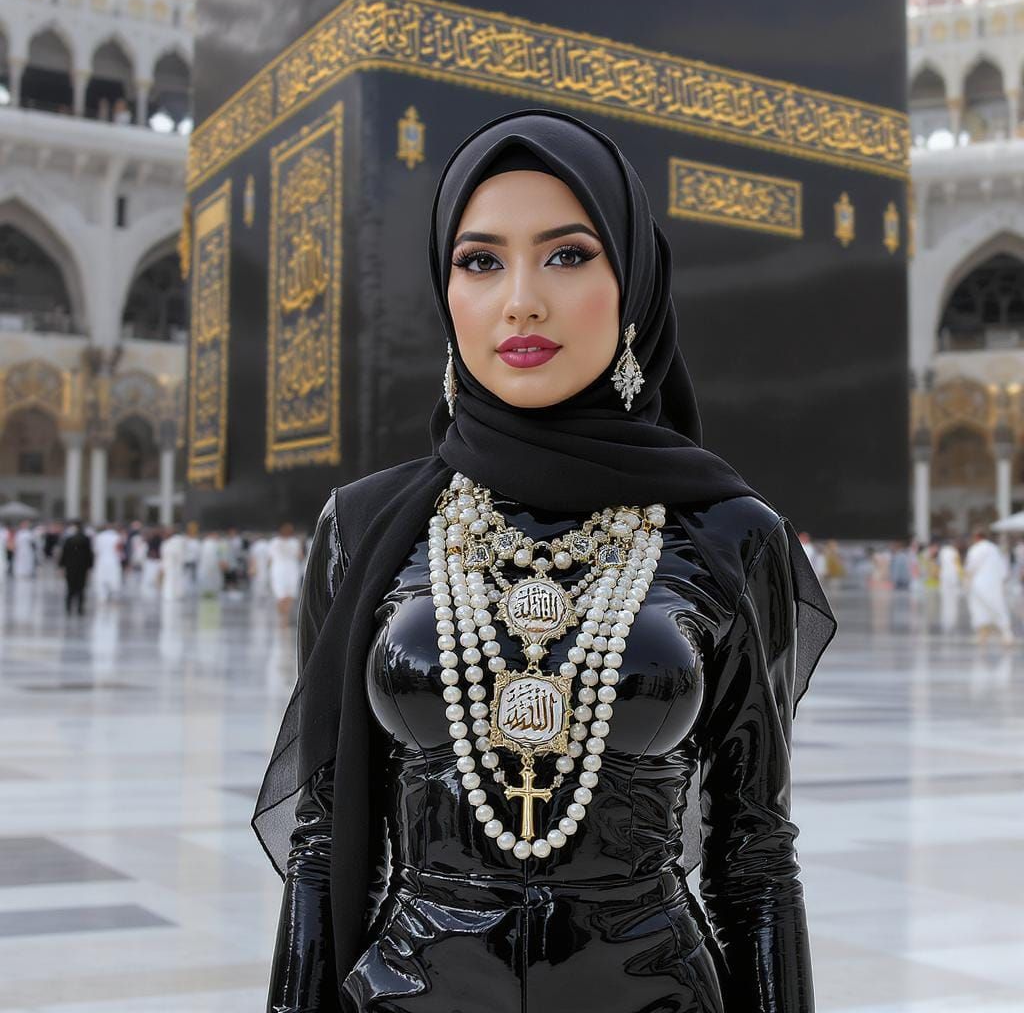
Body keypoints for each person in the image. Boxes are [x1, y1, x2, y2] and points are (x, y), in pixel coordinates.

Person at [256, 110, 837, 1013]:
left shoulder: (728, 534)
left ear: (633, 282)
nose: (521, 299)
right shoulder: (367, 528)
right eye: (480, 261)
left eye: (567, 255)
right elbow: (325, 842)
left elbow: (754, 857)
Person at [964, 528, 1014, 645]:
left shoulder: (976, 549)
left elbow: (970, 566)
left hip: (979, 584)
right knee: (997, 606)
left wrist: (966, 580)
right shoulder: (994, 548)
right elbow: (1003, 568)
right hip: (994, 583)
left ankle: (983, 635)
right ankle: (1006, 634)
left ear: (976, 537)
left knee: (979, 608)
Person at [267, 523, 304, 627]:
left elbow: (269, 559)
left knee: (286, 594)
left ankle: (284, 617)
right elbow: (300, 556)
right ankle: (284, 617)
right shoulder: (293, 542)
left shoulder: (276, 542)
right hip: (285, 569)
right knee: (285, 594)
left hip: (282, 569)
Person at [58, 522, 94, 615]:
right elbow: (89, 555)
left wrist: (61, 566)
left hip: (70, 567)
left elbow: (64, 554)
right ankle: (80, 608)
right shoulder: (86, 540)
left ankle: (68, 607)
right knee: (81, 588)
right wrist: (90, 567)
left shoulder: (69, 540)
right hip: (82, 567)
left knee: (70, 588)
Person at [92, 524, 123, 601]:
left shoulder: (99, 537)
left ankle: (102, 597)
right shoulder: (117, 537)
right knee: (114, 579)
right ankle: (114, 597)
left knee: (101, 579)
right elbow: (119, 550)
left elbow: (96, 550)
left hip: (101, 560)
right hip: (113, 560)